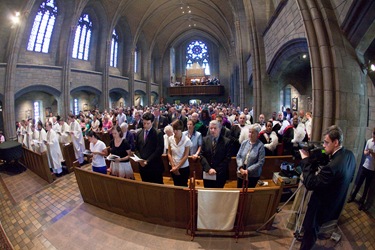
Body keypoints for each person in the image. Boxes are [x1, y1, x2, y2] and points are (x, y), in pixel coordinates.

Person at [299, 125, 356, 250]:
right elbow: (351, 178)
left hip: (321, 205)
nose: (323, 145)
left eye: (326, 142)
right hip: (336, 203)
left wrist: (305, 160)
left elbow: (310, 183)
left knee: (311, 230)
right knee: (312, 228)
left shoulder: (332, 167)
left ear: (336, 142)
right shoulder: (350, 155)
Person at [347, 128, 375, 211]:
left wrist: (373, 153)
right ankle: (353, 196)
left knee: (367, 187)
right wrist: (367, 152)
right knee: (359, 183)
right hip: (365, 166)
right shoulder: (369, 141)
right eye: (373, 134)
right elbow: (365, 151)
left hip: (372, 169)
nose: (373, 137)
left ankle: (362, 202)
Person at [134, 112, 164, 184]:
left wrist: (147, 161)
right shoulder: (139, 133)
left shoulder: (157, 133)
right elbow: (136, 148)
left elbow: (159, 150)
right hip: (142, 166)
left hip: (154, 166)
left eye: (148, 123)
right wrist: (140, 160)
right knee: (145, 186)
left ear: (152, 122)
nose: (146, 125)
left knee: (156, 187)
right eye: (144, 123)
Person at [200, 120, 231, 188]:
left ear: (219, 129)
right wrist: (208, 169)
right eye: (211, 128)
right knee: (208, 194)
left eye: (215, 128)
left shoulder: (226, 142)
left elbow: (227, 158)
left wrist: (215, 170)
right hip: (207, 173)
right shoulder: (205, 140)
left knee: (218, 195)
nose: (212, 130)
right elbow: (202, 155)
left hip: (219, 174)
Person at [236, 124, 265, 188]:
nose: (250, 134)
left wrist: (248, 170)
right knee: (240, 191)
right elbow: (239, 156)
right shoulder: (244, 143)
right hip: (241, 171)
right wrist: (240, 167)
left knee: (249, 193)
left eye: (253, 133)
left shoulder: (260, 146)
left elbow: (260, 162)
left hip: (253, 174)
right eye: (249, 132)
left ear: (257, 134)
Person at [168, 120, 192, 186]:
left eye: (177, 130)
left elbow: (185, 156)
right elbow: (169, 153)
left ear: (181, 129)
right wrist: (173, 166)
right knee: (175, 184)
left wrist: (177, 167)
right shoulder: (170, 139)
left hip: (183, 167)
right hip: (173, 166)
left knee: (183, 185)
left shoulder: (186, 140)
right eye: (174, 129)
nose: (175, 132)